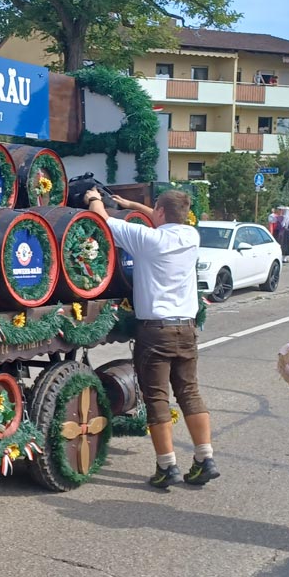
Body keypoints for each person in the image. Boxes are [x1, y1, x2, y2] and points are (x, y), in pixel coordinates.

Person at [85, 189, 219, 489]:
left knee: (157, 398)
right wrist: (133, 204)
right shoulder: (191, 237)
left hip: (155, 331)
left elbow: (102, 219)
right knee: (190, 392)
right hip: (186, 328)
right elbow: (165, 218)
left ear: (159, 212)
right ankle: (205, 458)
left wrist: (94, 198)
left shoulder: (148, 239)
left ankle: (166, 466)